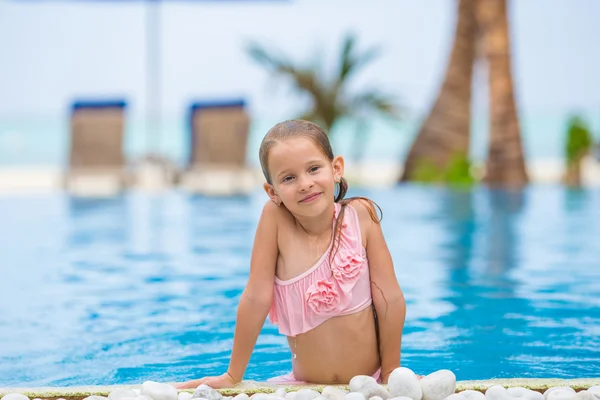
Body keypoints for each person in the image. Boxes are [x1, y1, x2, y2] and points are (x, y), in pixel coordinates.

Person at [175, 120, 406, 389]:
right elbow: (255, 297)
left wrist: (391, 372)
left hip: (369, 383)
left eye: (313, 169)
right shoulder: (275, 220)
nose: (305, 184)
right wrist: (232, 375)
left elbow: (388, 297)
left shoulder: (360, 216)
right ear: (272, 192)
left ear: (336, 169)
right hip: (304, 387)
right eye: (288, 178)